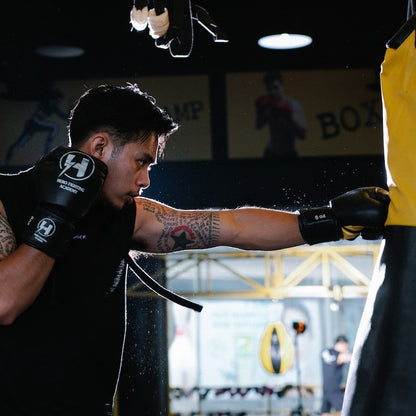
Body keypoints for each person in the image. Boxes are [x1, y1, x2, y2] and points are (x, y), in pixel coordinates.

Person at [0, 84, 389, 416]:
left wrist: (330, 221)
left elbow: (231, 227)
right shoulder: (6, 201)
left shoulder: (127, 217)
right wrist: (56, 215)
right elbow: (5, 302)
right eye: (140, 162)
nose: (146, 179)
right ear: (100, 146)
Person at [3, 88, 69, 166]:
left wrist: (70, 108)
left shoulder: (53, 107)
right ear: (54, 99)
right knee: (20, 143)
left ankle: (45, 147)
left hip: (37, 124)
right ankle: (5, 161)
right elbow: (39, 113)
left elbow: (65, 117)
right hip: (33, 123)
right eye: (59, 100)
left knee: (54, 127)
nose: (59, 102)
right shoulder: (45, 103)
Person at [255, 71, 307, 159]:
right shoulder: (268, 105)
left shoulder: (293, 105)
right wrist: (260, 112)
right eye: (269, 89)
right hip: (270, 152)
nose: (272, 92)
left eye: (275, 88)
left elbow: (303, 135)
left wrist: (289, 115)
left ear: (282, 86)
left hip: (289, 153)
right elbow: (258, 126)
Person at [321, 335, 352, 416]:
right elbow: (345, 357)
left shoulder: (326, 352)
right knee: (346, 412)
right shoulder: (338, 355)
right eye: (345, 346)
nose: (346, 349)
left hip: (326, 390)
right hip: (334, 390)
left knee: (325, 413)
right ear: (341, 344)